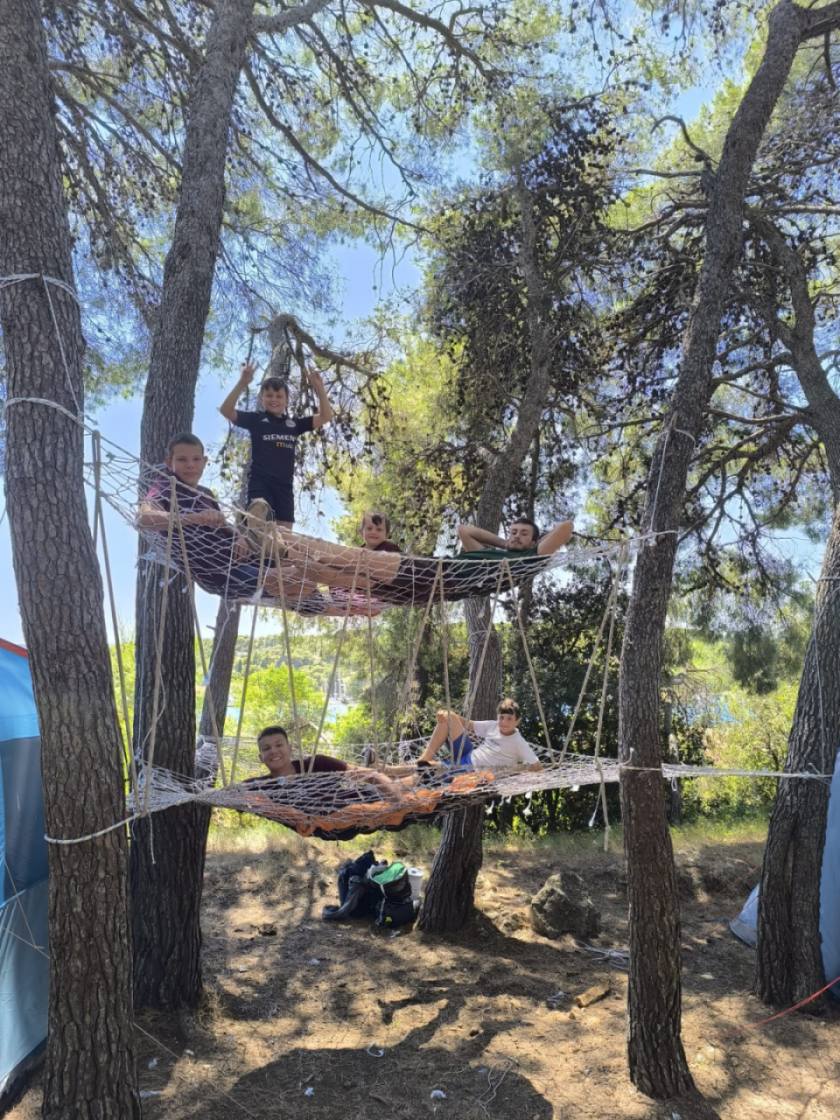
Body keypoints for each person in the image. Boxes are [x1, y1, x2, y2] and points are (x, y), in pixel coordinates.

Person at [136, 433, 322, 607]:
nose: (190, 465)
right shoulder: (166, 486)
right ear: (169, 463)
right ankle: (306, 593)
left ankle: (314, 598)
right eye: (182, 460)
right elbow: (143, 518)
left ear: (204, 462)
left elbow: (223, 526)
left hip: (243, 557)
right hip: (220, 573)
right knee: (302, 578)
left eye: (196, 459)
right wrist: (194, 518)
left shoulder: (206, 494)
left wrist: (239, 537)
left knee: (308, 564)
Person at [275, 514, 574, 606]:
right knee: (345, 576)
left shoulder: (528, 560)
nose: (516, 536)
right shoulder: (494, 556)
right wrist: (504, 542)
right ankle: (285, 552)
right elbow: (464, 530)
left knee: (356, 560)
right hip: (429, 589)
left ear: (534, 542)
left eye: (523, 534)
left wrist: (528, 548)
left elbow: (565, 528)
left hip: (435, 576)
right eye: (513, 531)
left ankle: (280, 539)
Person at [219, 360, 334, 528]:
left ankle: (270, 539)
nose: (274, 399)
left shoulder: (294, 425)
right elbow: (226, 410)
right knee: (259, 524)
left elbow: (325, 416)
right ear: (262, 398)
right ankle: (252, 529)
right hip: (260, 484)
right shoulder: (256, 419)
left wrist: (320, 389)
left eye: (279, 396)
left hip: (284, 488)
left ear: (286, 400)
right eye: (269, 395)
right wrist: (242, 383)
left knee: (284, 537)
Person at [417, 699, 541, 772]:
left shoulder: (518, 742)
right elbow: (469, 724)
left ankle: (420, 767)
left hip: (473, 770)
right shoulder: (493, 725)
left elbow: (537, 766)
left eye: (509, 718)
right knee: (449, 717)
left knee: (428, 770)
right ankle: (424, 759)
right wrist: (445, 714)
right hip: (469, 754)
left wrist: (515, 770)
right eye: (501, 718)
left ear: (517, 721)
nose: (504, 722)